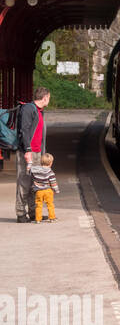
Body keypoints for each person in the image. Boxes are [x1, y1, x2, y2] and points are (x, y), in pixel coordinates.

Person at [15, 86, 50, 223]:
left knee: (34, 183)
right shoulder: (28, 109)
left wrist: (42, 153)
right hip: (27, 153)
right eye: (49, 98)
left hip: (36, 153)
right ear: (45, 97)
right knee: (24, 182)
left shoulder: (39, 111)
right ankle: (20, 213)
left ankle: (34, 212)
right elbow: (24, 130)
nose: (49, 100)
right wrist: (28, 151)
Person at [30, 152, 58, 223]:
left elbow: (32, 176)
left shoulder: (35, 171)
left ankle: (38, 219)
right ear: (50, 163)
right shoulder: (50, 172)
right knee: (50, 204)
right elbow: (53, 182)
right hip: (48, 190)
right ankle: (52, 218)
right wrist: (56, 190)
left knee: (38, 205)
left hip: (38, 191)